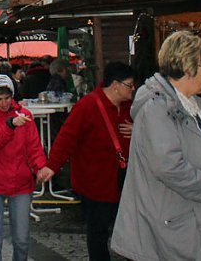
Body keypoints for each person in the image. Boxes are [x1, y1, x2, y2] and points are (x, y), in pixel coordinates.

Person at [110, 31, 201, 261]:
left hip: (186, 216)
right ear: (188, 66)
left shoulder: (194, 106)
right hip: (167, 224)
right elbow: (169, 167)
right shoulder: (157, 108)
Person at [39, 61, 135, 261]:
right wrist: (52, 166)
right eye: (129, 85)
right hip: (95, 183)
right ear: (115, 85)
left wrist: (138, 130)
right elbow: (67, 138)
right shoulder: (88, 106)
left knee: (129, 229)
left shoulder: (129, 108)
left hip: (123, 180)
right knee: (98, 232)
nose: (132, 89)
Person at [0, 75, 49, 261]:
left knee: (22, 239)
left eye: (7, 98)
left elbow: (34, 146)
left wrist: (40, 167)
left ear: (13, 96)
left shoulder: (25, 115)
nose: (4, 103)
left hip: (21, 181)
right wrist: (10, 125)